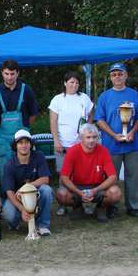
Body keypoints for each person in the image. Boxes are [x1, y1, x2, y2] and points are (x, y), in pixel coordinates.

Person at [95, 63, 138, 218]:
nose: (117, 77)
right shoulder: (104, 96)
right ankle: (111, 205)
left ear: (126, 75)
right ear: (110, 77)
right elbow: (99, 120)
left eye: (120, 73)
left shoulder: (134, 95)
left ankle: (133, 206)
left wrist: (132, 132)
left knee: (133, 176)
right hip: (112, 144)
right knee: (111, 177)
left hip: (132, 143)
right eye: (114, 74)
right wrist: (113, 135)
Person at [49, 71, 93, 215]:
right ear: (65, 83)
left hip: (81, 145)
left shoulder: (84, 98)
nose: (74, 85)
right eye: (71, 82)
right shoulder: (58, 99)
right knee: (63, 174)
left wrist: (87, 135)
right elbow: (53, 122)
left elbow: (90, 115)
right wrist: (56, 141)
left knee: (81, 174)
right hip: (63, 144)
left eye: (76, 82)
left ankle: (84, 202)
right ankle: (63, 204)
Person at [56, 123, 122, 222]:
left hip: (98, 187)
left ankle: (101, 208)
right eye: (88, 137)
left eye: (94, 137)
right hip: (77, 187)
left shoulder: (103, 151)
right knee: (61, 194)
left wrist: (95, 190)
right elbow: (64, 177)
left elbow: (112, 177)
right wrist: (78, 192)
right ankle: (77, 207)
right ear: (81, 138)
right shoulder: (72, 151)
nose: (92, 140)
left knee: (115, 193)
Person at [0, 59, 38, 187]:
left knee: (24, 170)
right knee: (3, 171)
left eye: (12, 74)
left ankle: (26, 198)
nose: (9, 77)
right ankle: (5, 201)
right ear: (2, 73)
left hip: (23, 139)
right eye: (6, 74)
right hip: (2, 140)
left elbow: (33, 114)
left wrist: (24, 128)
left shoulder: (26, 90)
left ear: (17, 73)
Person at [1, 130, 53, 236]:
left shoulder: (39, 156)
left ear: (31, 144)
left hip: (34, 195)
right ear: (15, 146)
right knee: (9, 214)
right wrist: (22, 209)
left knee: (47, 190)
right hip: (17, 199)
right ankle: (17, 221)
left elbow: (45, 179)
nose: (24, 145)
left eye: (26, 142)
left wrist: (26, 187)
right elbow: (9, 192)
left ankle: (43, 225)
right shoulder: (9, 164)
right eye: (20, 143)